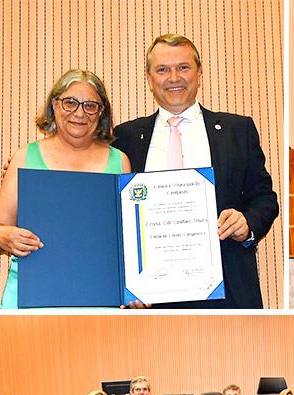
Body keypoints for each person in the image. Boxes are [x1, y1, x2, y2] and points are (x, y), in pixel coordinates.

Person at [112, 33, 279, 309]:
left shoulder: (238, 130)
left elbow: (264, 198)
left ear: (199, 73)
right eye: (163, 69)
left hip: (226, 291)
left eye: (183, 67)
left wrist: (246, 223)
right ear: (149, 77)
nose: (174, 77)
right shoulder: (125, 137)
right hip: (149, 297)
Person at [0, 69, 131, 308]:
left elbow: (128, 243)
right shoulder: (24, 158)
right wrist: (6, 236)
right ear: (55, 104)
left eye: (90, 105)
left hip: (98, 301)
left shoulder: (120, 162)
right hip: (29, 300)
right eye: (70, 102)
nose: (79, 113)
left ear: (100, 112)